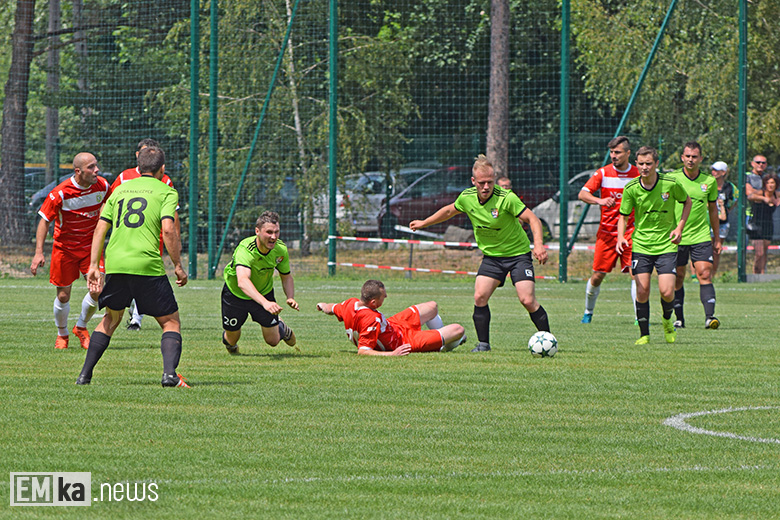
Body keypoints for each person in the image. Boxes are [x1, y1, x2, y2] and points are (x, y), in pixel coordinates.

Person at [409, 154, 550, 352]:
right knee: (479, 297)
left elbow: (533, 219)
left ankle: (548, 340)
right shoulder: (467, 198)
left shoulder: (506, 198)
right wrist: (424, 222)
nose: (486, 187)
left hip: (518, 255)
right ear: (473, 181)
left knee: (527, 300)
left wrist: (539, 245)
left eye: (490, 182)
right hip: (492, 257)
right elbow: (449, 211)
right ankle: (483, 344)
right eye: (482, 183)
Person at [76, 146, 189, 388]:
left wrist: (94, 265)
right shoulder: (167, 191)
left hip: (116, 263)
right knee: (170, 322)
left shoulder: (119, 190)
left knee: (110, 318)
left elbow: (100, 228)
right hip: (146, 264)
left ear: (140, 166)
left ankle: (84, 376)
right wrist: (178, 265)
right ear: (162, 169)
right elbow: (169, 229)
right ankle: (169, 375)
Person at [30, 152, 109, 350]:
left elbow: (110, 204)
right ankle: (62, 334)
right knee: (64, 295)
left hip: (91, 248)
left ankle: (81, 327)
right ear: (78, 171)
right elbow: (44, 221)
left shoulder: (103, 186)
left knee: (97, 289)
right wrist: (39, 252)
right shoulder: (61, 193)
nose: (96, 170)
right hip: (64, 249)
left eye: (96, 165)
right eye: (91, 167)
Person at [617, 146, 691, 345]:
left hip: (666, 245)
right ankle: (644, 334)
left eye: (648, 163)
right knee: (642, 291)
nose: (644, 167)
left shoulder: (670, 183)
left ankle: (667, 321)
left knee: (667, 292)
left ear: (656, 164)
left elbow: (687, 202)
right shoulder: (631, 188)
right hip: (641, 245)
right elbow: (623, 216)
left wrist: (679, 228)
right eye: (640, 164)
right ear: (636, 164)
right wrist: (620, 237)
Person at [108, 138, 179, 331]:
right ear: (138, 155)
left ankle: (136, 319)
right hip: (126, 239)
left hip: (150, 239)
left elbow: (172, 217)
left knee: (141, 280)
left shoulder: (165, 181)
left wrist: (175, 239)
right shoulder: (124, 177)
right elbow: (109, 206)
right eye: (144, 152)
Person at [577, 136, 639, 324]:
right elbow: (582, 193)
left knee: (635, 273)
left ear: (628, 153)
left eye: (618, 152)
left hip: (630, 233)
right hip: (606, 234)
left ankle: (639, 317)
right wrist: (599, 200)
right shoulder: (603, 173)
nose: (614, 156)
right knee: (597, 276)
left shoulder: (637, 174)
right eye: (611, 152)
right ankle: (588, 312)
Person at [315, 279, 466, 356]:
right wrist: (393, 354)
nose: (386, 297)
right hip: (403, 340)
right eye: (383, 297)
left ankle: (439, 339)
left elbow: (331, 308)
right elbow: (363, 351)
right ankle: (441, 347)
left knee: (432, 306)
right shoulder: (371, 320)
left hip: (393, 325)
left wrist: (322, 305)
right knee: (459, 330)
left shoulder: (350, 303)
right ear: (373, 302)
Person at [221, 211, 298, 355]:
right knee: (231, 338)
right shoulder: (245, 250)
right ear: (257, 231)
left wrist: (290, 297)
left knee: (273, 341)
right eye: (269, 232)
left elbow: (286, 276)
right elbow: (243, 281)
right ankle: (231, 344)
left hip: (264, 292)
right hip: (235, 295)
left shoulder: (280, 250)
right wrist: (265, 303)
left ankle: (281, 326)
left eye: (276, 232)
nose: (273, 237)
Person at [668, 141, 721, 330]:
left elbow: (713, 211)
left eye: (694, 156)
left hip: (700, 236)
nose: (691, 160)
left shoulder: (709, 181)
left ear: (701, 159)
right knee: (678, 277)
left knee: (704, 274)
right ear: (682, 157)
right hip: (677, 237)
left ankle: (710, 317)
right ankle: (679, 318)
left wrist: (717, 238)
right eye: (687, 156)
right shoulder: (672, 179)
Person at [710, 161, 738, 276]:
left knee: (716, 251)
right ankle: (700, 275)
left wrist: (727, 209)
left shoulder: (730, 187)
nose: (713, 172)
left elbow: (736, 198)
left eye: (716, 170)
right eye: (713, 170)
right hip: (708, 222)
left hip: (722, 223)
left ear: (723, 172)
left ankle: (713, 275)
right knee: (705, 250)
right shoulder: (708, 184)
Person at [749, 172, 779, 274]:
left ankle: (762, 274)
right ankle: (755, 272)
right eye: (768, 183)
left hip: (768, 225)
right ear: (765, 184)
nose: (770, 185)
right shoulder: (759, 193)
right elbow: (750, 196)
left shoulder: (776, 195)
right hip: (756, 226)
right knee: (759, 253)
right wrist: (764, 199)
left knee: (764, 252)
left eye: (773, 183)